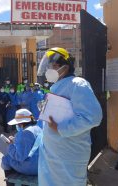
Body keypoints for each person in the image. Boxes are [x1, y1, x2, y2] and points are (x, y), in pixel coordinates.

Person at [36, 47, 102, 185]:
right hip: (54, 156)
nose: (50, 69)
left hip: (69, 156)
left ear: (65, 67)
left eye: (54, 66)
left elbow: (93, 116)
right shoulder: (57, 87)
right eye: (49, 66)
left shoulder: (77, 84)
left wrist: (61, 128)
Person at [1, 109, 42, 185]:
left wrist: (10, 145)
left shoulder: (26, 132)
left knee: (6, 158)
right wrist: (15, 141)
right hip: (40, 164)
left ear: (21, 123)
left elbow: (19, 156)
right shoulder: (38, 128)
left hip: (32, 167)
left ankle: (10, 182)